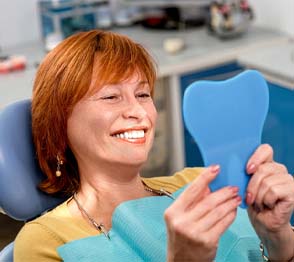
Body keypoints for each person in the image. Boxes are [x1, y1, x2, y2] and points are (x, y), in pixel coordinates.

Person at [14, 29, 294, 262]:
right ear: (60, 122)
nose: (138, 110)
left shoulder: (201, 183)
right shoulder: (45, 241)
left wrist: (278, 240)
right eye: (111, 96)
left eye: (143, 93)